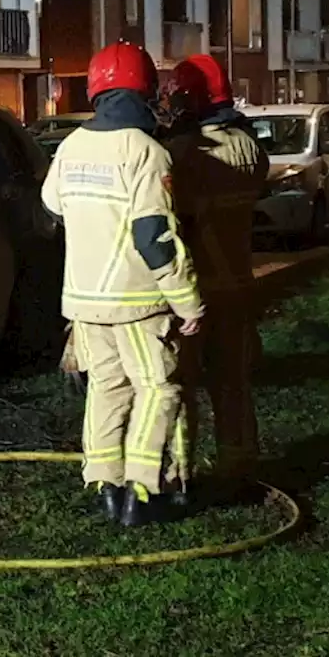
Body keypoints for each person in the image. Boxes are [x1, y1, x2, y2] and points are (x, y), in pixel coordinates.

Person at [41, 41, 204, 527]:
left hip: (84, 303)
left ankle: (105, 485)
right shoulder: (147, 152)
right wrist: (188, 300)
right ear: (146, 91)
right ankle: (142, 486)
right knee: (159, 389)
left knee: (107, 390)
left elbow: (52, 207)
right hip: (136, 302)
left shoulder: (71, 146)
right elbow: (154, 237)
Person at [162, 54, 270, 486]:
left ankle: (179, 472)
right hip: (238, 283)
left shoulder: (182, 153)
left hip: (194, 291)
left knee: (180, 384)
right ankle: (239, 463)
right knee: (233, 384)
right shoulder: (249, 148)